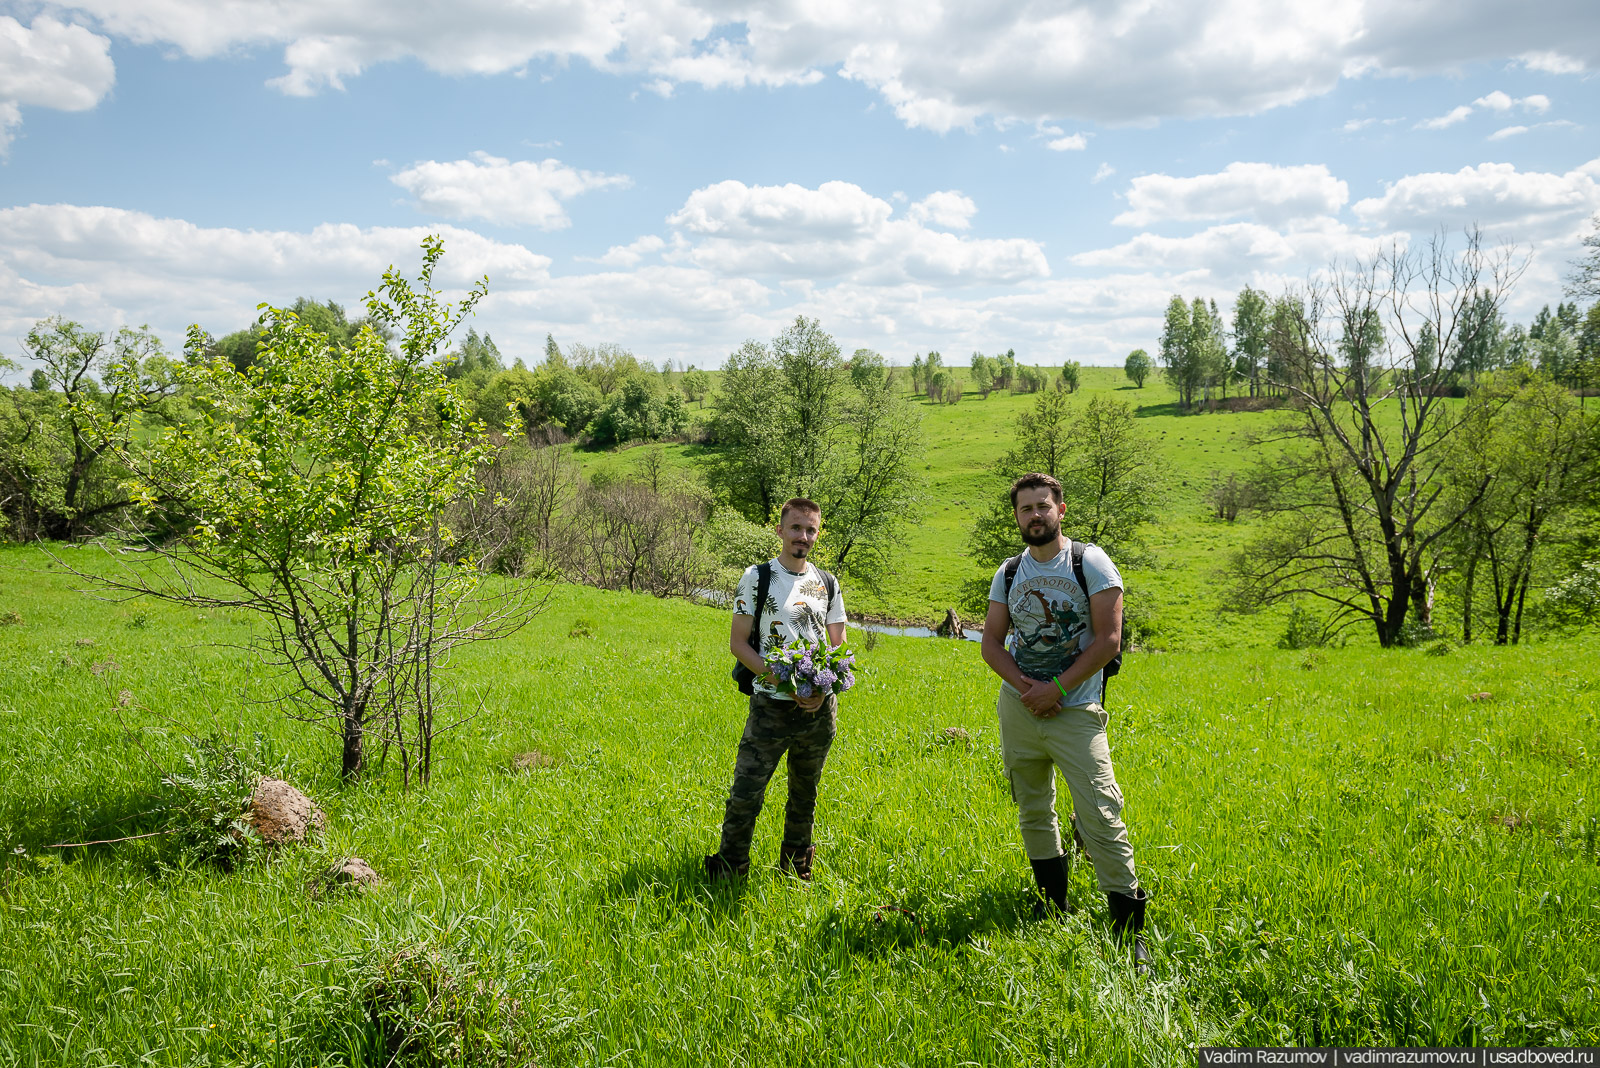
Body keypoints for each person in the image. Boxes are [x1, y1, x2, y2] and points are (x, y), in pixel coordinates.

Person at [979, 472, 1150, 966]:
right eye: (1025, 508)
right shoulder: (1009, 573)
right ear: (1016, 517)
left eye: (1042, 506)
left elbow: (1107, 640)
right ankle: (1053, 906)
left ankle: (1128, 931)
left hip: (1076, 710)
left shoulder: (1089, 561)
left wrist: (1055, 689)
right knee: (1033, 807)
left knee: (1101, 814)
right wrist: (1027, 689)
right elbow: (991, 642)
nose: (1035, 515)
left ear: (1061, 509)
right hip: (1019, 707)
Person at [706, 497, 847, 882]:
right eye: (796, 527)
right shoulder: (757, 577)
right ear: (781, 530)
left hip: (818, 711)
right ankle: (731, 869)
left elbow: (838, 646)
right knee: (746, 792)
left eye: (811, 529)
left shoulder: (827, 583)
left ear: (818, 534)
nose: (803, 536)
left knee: (805, 794)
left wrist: (822, 687)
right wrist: (784, 681)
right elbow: (739, 643)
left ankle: (795, 870)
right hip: (771, 707)